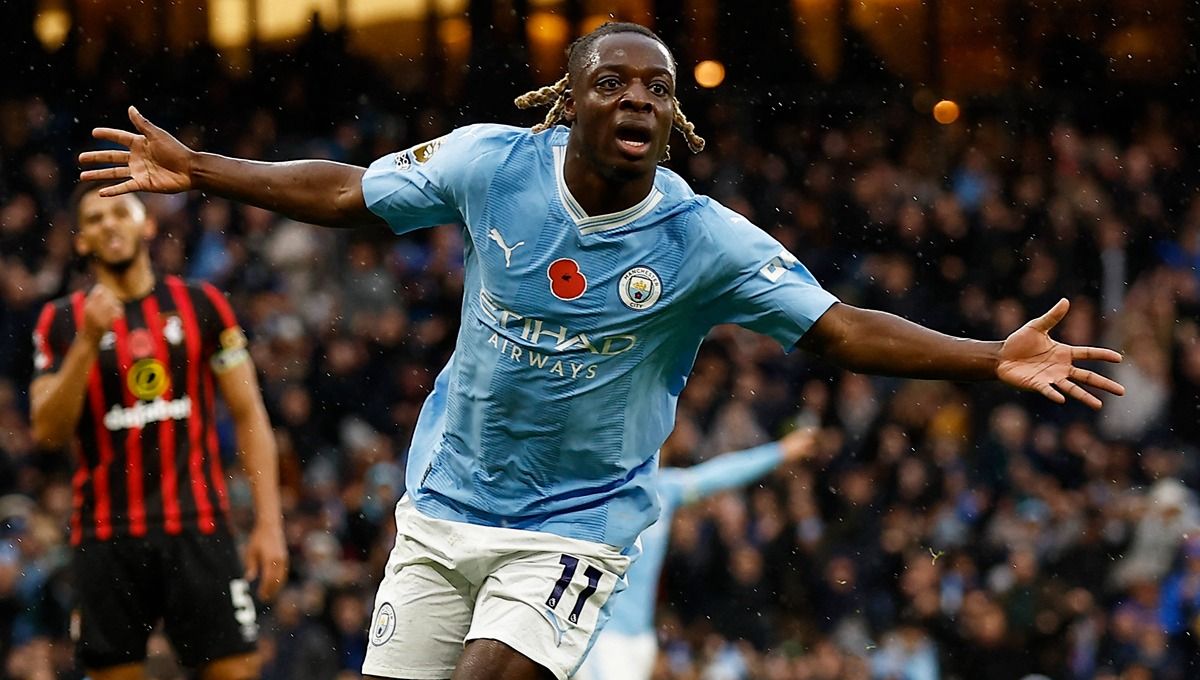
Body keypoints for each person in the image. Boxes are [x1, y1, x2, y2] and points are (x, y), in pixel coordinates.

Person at [78, 21, 1124, 680]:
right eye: (617, 83)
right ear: (570, 100)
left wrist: (986, 355)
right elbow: (351, 192)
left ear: (674, 117)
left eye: (659, 90)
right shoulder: (492, 163)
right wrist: (202, 168)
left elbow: (839, 325)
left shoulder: (701, 238)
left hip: (572, 531)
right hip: (441, 509)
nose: (640, 100)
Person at [28, 182, 288, 680]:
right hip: (106, 537)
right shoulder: (58, 321)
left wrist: (268, 524)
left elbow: (250, 413)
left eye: (120, 212)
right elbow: (46, 431)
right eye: (95, 220)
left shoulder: (203, 304)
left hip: (200, 526)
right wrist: (87, 343)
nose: (109, 225)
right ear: (81, 240)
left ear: (147, 224)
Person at [573, 426, 818, 680]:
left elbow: (722, 474)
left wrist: (779, 452)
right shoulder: (599, 494)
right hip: (599, 633)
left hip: (640, 638)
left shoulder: (664, 491)